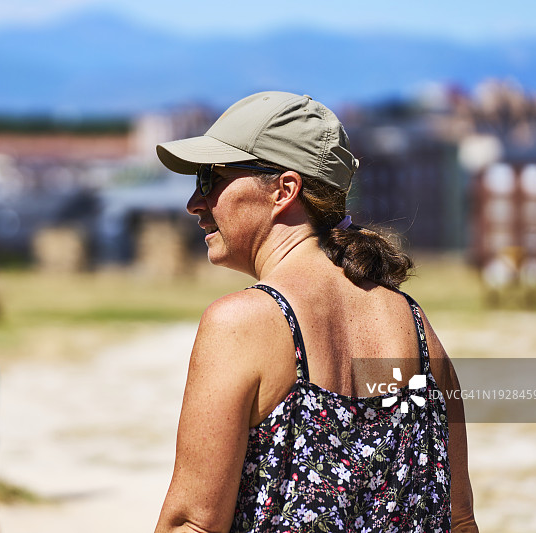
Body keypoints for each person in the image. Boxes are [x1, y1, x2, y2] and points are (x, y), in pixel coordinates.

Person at [154, 91, 478, 533]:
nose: (195, 202)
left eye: (210, 179)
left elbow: (193, 523)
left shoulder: (244, 322)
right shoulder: (414, 323)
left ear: (284, 190)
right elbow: (459, 521)